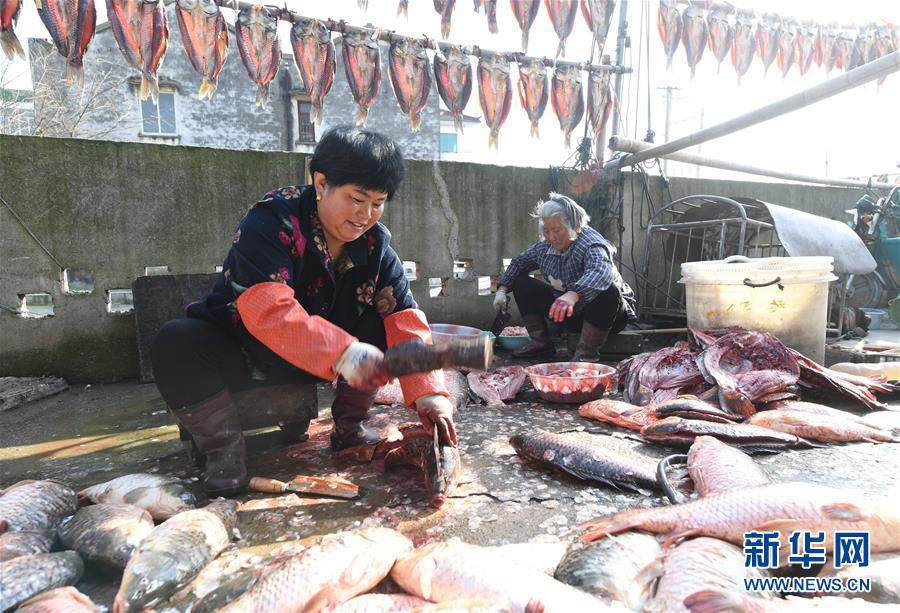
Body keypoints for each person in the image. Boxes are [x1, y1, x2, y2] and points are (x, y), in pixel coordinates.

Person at [151, 127, 457, 496]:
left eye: (378, 203)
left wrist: (429, 394)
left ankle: (349, 429)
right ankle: (223, 452)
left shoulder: (377, 248)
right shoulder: (270, 222)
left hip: (318, 362)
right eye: (357, 199)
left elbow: (406, 322)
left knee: (385, 320)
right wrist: (346, 354)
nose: (366, 215)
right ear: (322, 182)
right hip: (243, 351)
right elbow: (269, 311)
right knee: (175, 341)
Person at [492, 193, 636, 361]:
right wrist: (502, 290)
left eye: (557, 230)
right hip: (571, 314)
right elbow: (519, 263)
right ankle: (541, 343)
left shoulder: (592, 243)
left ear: (573, 225)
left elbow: (600, 272)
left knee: (608, 289)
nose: (551, 237)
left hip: (608, 317)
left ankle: (585, 356)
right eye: (546, 231)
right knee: (522, 283)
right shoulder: (545, 246)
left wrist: (574, 294)